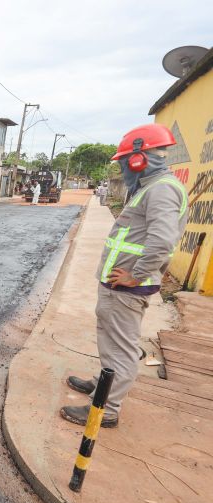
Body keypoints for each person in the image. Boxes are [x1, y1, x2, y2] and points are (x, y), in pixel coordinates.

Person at [61, 124, 188, 428]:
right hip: (117, 285)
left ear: (138, 158)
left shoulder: (162, 190)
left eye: (123, 160)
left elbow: (161, 241)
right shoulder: (149, 186)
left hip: (128, 287)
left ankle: (106, 408)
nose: (121, 166)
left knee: (122, 346)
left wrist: (136, 274)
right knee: (110, 339)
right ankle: (101, 382)